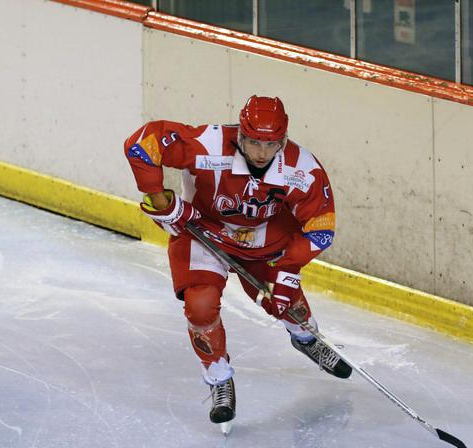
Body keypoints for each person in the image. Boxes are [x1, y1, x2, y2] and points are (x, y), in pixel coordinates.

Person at [124, 95, 351, 428]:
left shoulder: (302, 168)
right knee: (200, 305)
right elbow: (142, 145)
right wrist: (164, 202)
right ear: (240, 134)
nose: (261, 152)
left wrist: (287, 273)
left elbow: (320, 228)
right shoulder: (210, 144)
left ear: (283, 140)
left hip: (265, 239)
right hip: (203, 232)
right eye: (254, 142)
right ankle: (218, 377)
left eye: (271, 144)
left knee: (288, 304)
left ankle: (306, 338)